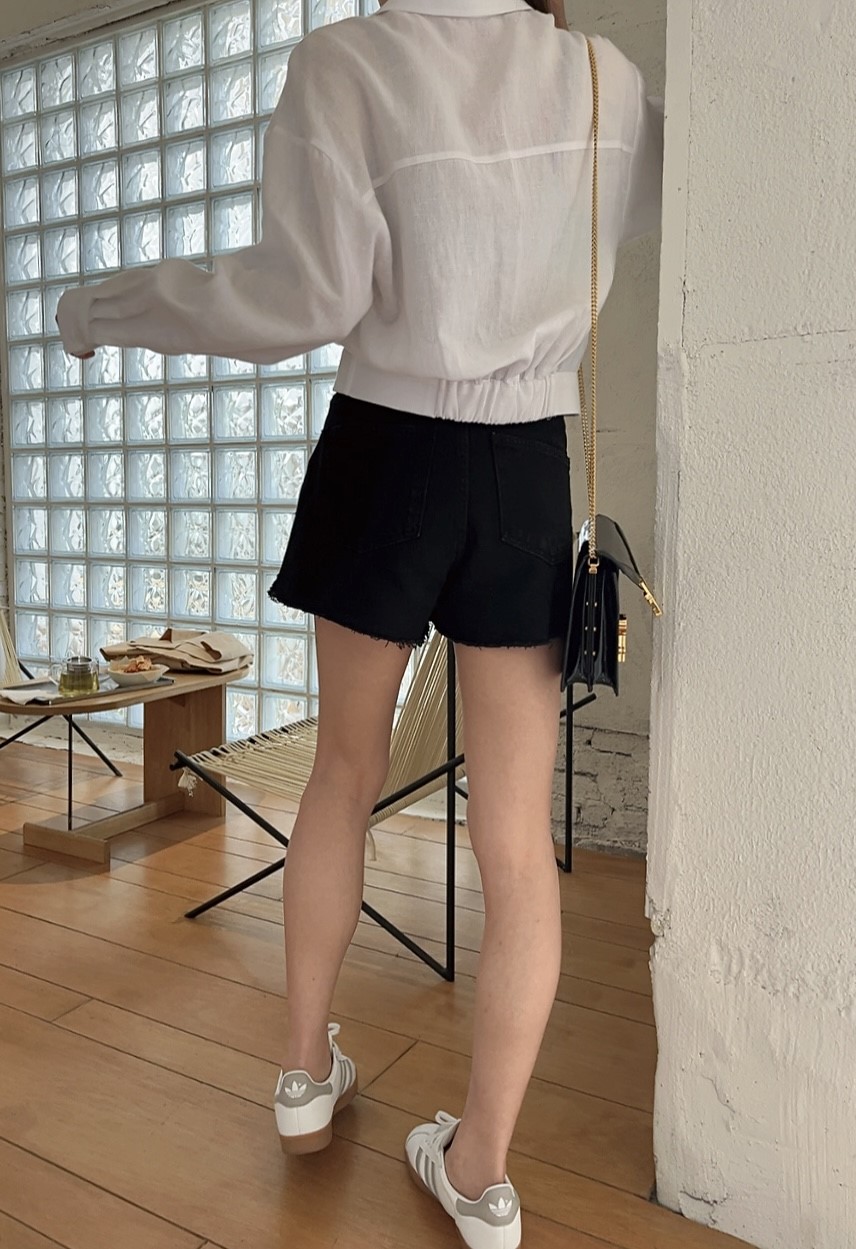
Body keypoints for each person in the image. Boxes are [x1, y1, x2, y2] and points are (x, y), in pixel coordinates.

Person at [57, 0, 662, 1244]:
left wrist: (102, 309)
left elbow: (298, 299)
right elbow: (633, 212)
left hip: (385, 452)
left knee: (342, 770)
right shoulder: (600, 76)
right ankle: (480, 1174)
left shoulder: (348, 62)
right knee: (513, 838)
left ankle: (300, 1074)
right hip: (524, 467)